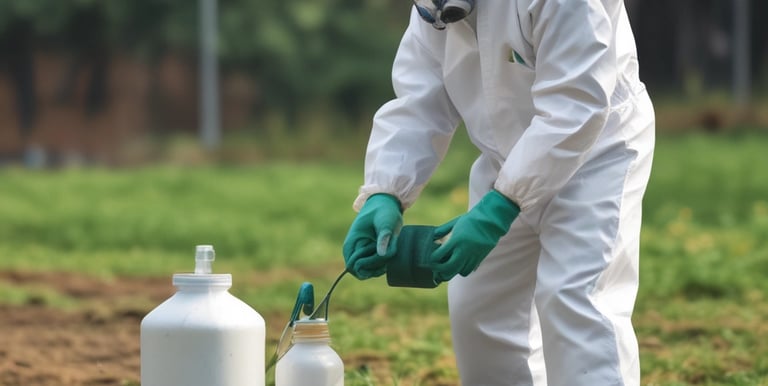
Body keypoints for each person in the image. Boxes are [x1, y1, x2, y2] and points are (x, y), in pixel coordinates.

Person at [342, 0, 655, 385]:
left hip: (595, 153)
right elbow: (420, 99)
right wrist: (385, 192)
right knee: (479, 309)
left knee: (575, 299)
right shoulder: (433, 8)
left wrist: (499, 207)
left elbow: (577, 104)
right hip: (505, 161)